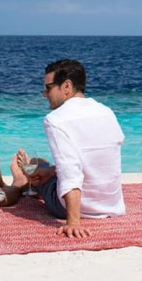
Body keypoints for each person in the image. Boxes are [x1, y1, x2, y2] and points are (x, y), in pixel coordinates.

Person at [14, 59, 125, 238]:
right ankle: (35, 177)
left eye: (48, 88)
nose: (44, 94)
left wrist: (73, 222)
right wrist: (52, 171)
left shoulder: (56, 119)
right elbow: (96, 159)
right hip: (112, 204)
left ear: (66, 86)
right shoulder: (106, 112)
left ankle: (23, 181)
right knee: (44, 167)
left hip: (80, 208)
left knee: (36, 164)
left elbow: (70, 171)